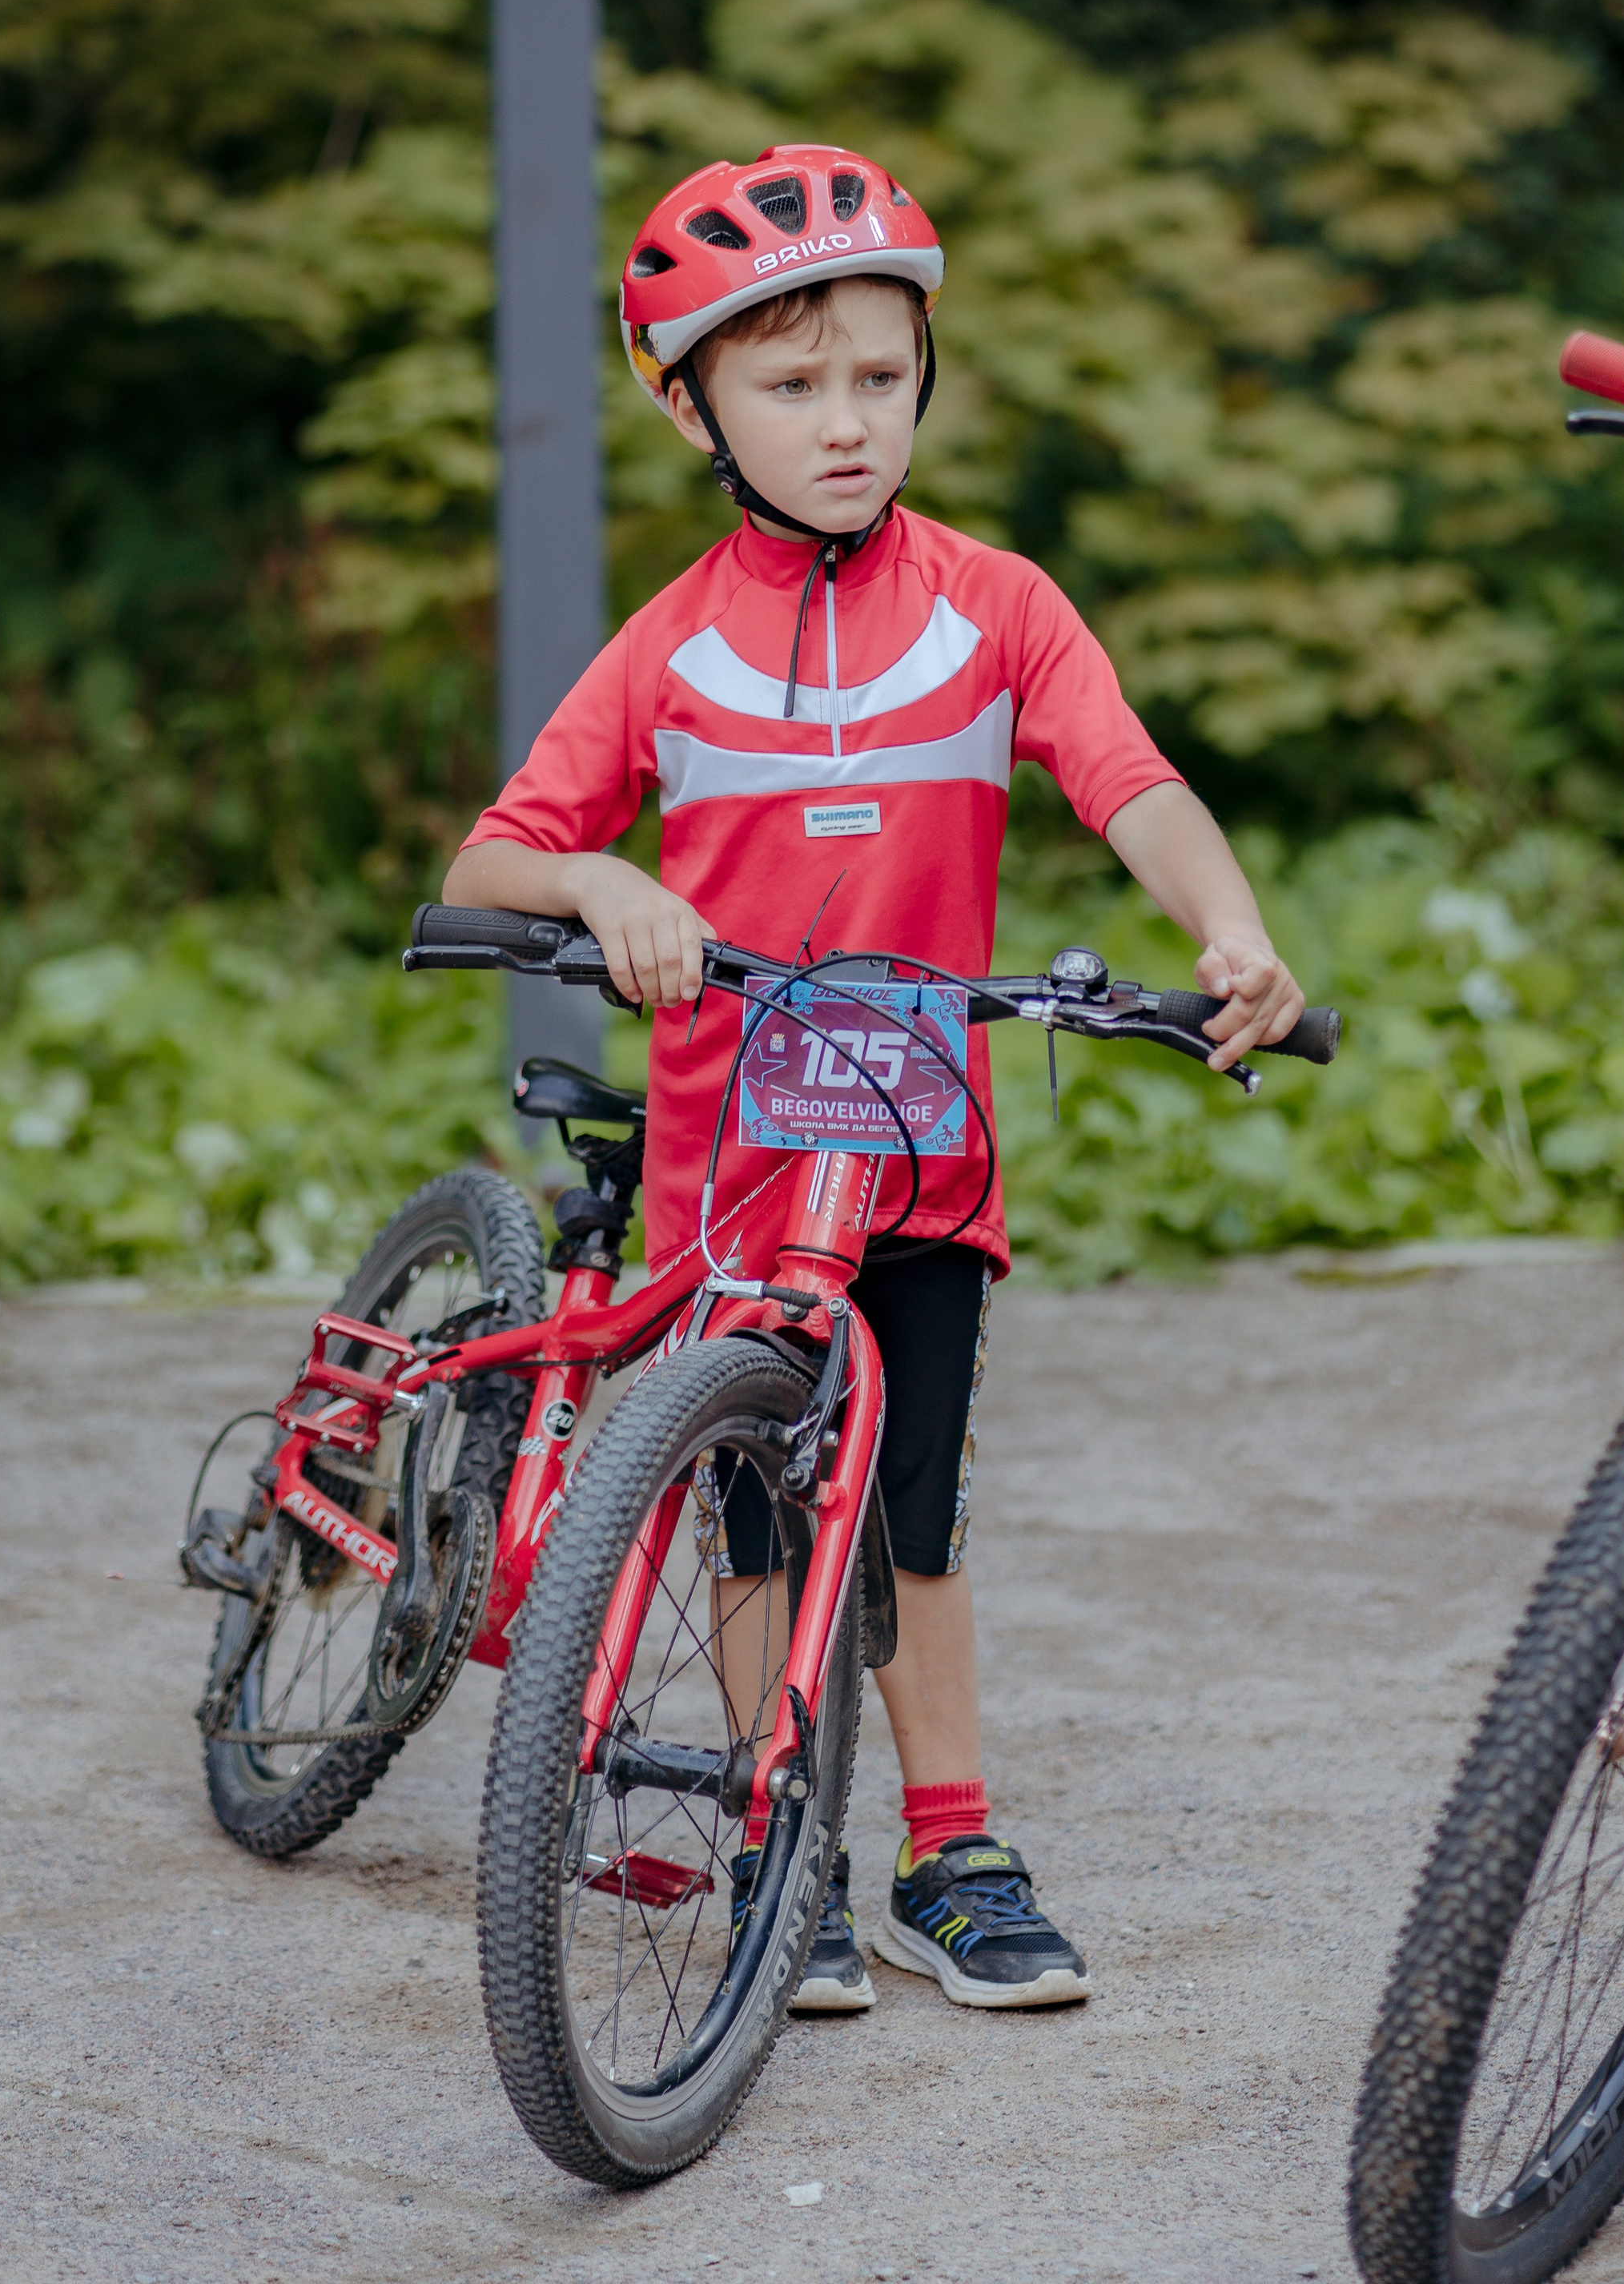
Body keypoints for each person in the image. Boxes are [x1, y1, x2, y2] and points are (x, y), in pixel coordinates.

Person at [446, 143, 1302, 2013]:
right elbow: (492, 857)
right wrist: (602, 883)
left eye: (878, 375)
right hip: (732, 1170)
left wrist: (1226, 925)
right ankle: (785, 1840)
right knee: (754, 1505)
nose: (844, 421)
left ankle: (951, 1850)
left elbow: (1129, 781)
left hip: (920, 1159)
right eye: (788, 381)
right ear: (691, 409)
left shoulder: (997, 606)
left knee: (913, 1508)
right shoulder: (672, 646)